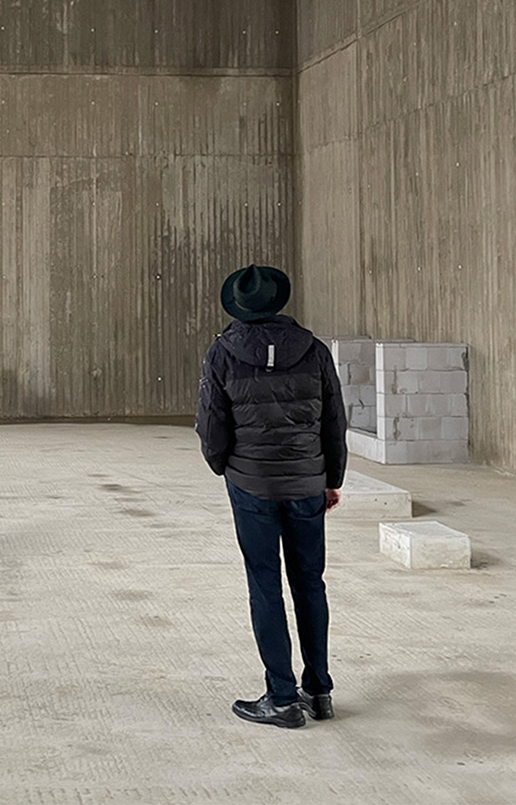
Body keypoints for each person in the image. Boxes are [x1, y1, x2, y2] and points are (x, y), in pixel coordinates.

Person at [196, 264, 347, 729]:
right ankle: (319, 690)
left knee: (265, 585)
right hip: (306, 484)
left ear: (240, 308)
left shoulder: (223, 352)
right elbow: (334, 421)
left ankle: (281, 697)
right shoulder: (315, 350)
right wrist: (331, 478)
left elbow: (212, 425)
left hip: (252, 485)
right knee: (310, 583)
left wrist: (226, 467)